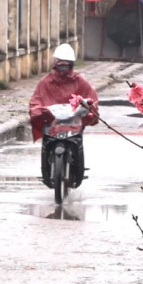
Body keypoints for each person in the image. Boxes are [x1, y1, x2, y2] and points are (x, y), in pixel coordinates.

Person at [28, 43, 100, 187]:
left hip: (74, 122)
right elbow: (36, 99)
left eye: (66, 64)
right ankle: (46, 168)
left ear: (71, 64)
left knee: (79, 143)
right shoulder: (46, 82)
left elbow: (91, 97)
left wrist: (89, 106)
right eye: (60, 64)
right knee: (45, 143)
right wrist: (38, 109)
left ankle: (78, 165)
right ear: (55, 63)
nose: (63, 67)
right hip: (53, 122)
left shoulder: (80, 81)